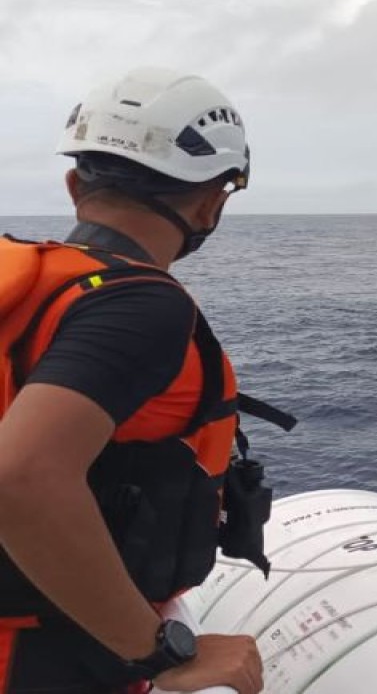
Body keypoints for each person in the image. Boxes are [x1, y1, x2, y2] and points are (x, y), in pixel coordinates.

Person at [0, 68, 287, 694]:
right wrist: (160, 655)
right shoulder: (139, 306)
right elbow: (20, 476)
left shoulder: (24, 286)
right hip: (46, 659)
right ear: (212, 201)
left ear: (75, 185)